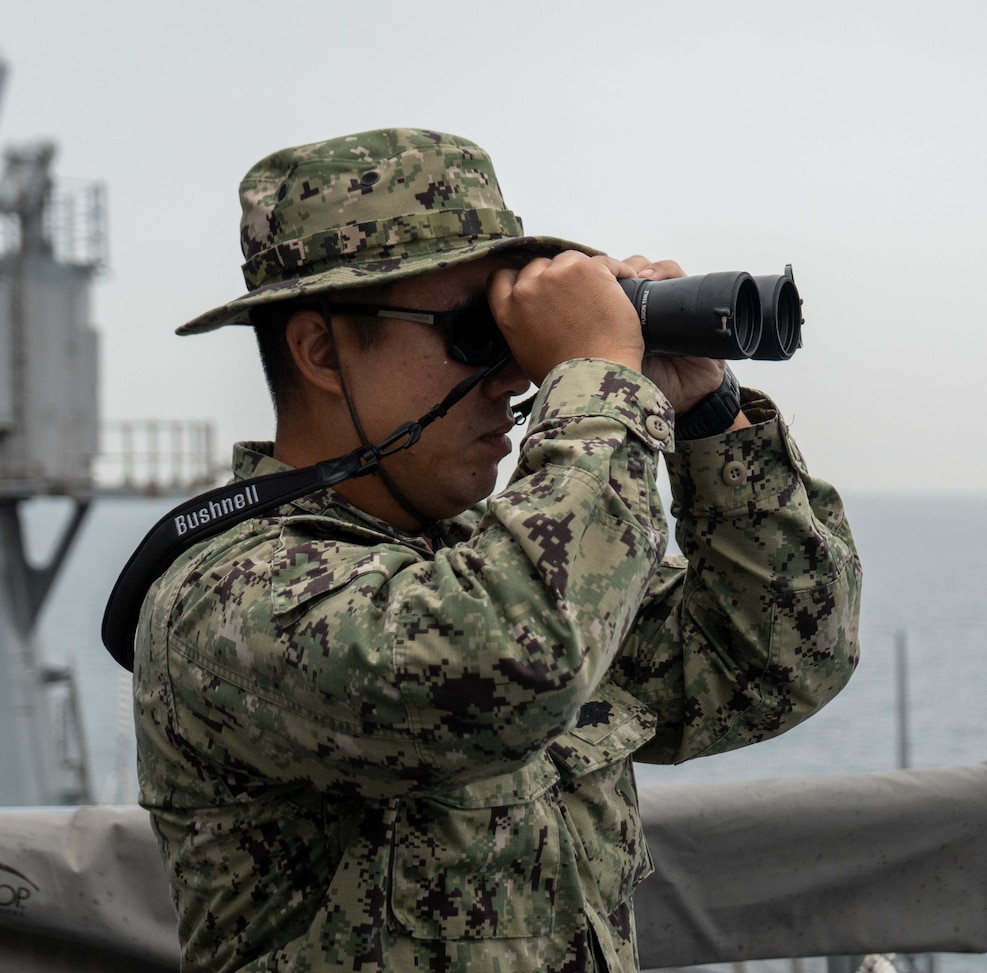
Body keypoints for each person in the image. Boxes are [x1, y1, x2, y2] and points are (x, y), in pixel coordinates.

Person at [130, 127, 861, 973]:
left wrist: (703, 411)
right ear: (322, 351)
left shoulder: (493, 569)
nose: (516, 379)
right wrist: (599, 380)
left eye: (521, 338)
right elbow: (522, 657)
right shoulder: (231, 599)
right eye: (478, 334)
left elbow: (775, 657)